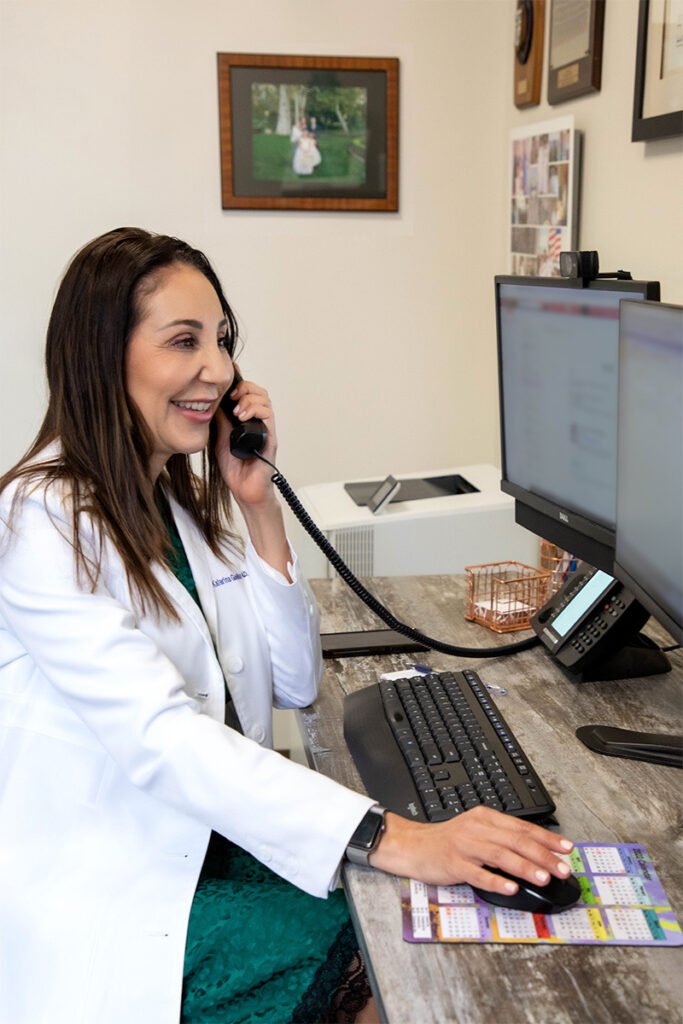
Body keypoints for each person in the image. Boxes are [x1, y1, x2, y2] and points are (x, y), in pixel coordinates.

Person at [0, 227, 575, 1024]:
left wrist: (258, 504)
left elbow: (297, 683)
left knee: (422, 918)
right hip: (113, 881)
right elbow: (161, 737)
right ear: (101, 357)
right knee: (386, 961)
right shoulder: (43, 518)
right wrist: (397, 836)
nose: (220, 369)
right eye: (183, 341)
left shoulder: (175, 502)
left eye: (223, 340)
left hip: (209, 842)